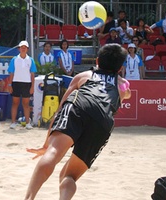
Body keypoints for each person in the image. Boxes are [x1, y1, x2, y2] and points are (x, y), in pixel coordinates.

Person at [24, 44, 131, 200]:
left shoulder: (84, 76)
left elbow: (60, 109)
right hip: (103, 122)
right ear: (120, 68)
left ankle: (29, 198)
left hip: (80, 106)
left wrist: (47, 144)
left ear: (97, 61)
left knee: (52, 154)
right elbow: (126, 92)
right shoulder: (122, 85)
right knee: (69, 176)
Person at [7, 40, 37, 130]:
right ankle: (13, 122)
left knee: (26, 104)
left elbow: (32, 74)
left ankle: (28, 123)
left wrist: (32, 86)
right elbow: (11, 73)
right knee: (15, 103)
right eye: (21, 47)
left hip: (26, 84)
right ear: (19, 49)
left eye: (25, 47)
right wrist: (9, 84)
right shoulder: (14, 59)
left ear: (27, 49)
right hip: (16, 83)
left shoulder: (30, 60)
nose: (23, 49)